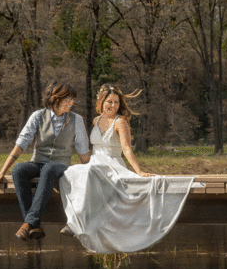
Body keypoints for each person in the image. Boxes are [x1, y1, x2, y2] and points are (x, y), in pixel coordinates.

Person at [59, 84, 201, 254]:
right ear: (101, 101)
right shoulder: (96, 120)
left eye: (116, 102)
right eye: (109, 101)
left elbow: (126, 149)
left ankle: (75, 223)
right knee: (71, 173)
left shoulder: (120, 122)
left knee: (91, 172)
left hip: (112, 163)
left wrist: (139, 171)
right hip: (95, 161)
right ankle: (76, 219)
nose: (113, 105)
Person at [0, 81, 90, 241]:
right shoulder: (38, 116)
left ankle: (27, 223)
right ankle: (34, 225)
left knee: (49, 169)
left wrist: (90, 173)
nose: (71, 103)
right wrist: (2, 172)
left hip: (60, 166)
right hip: (38, 162)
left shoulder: (76, 120)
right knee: (19, 170)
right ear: (55, 98)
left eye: (73, 100)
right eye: (67, 99)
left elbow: (83, 151)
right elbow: (21, 143)